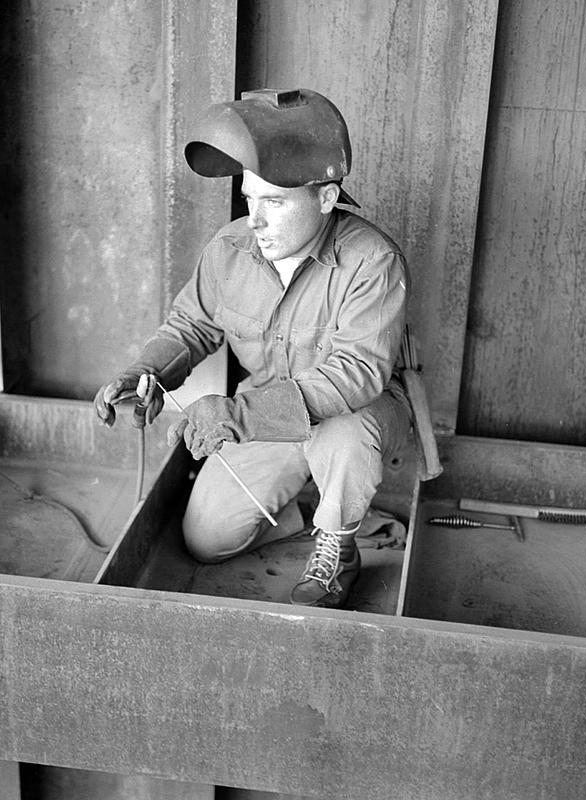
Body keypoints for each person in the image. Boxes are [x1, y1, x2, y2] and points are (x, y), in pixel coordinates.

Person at [94, 88, 411, 608]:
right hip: (267, 415)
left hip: (354, 413)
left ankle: (339, 547)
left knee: (347, 437)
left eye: (274, 202)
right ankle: (323, 511)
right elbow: (191, 325)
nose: (256, 220)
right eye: (249, 199)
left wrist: (238, 414)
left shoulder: (372, 261)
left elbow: (357, 374)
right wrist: (143, 372)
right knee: (207, 540)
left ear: (326, 197)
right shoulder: (231, 249)